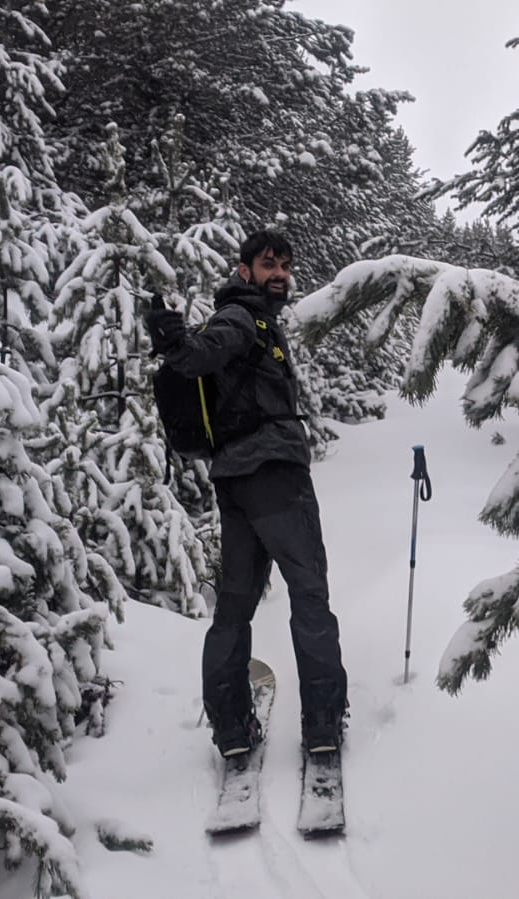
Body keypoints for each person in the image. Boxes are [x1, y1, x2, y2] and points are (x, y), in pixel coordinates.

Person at [145, 228, 348, 757]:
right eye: (267, 264)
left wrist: (179, 344)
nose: (278, 274)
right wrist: (176, 344)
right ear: (244, 271)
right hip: (275, 478)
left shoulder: (251, 320)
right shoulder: (242, 317)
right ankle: (323, 722)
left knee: (233, 610)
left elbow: (201, 354)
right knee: (309, 595)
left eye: (284, 265)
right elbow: (202, 354)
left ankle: (233, 730)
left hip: (235, 483)